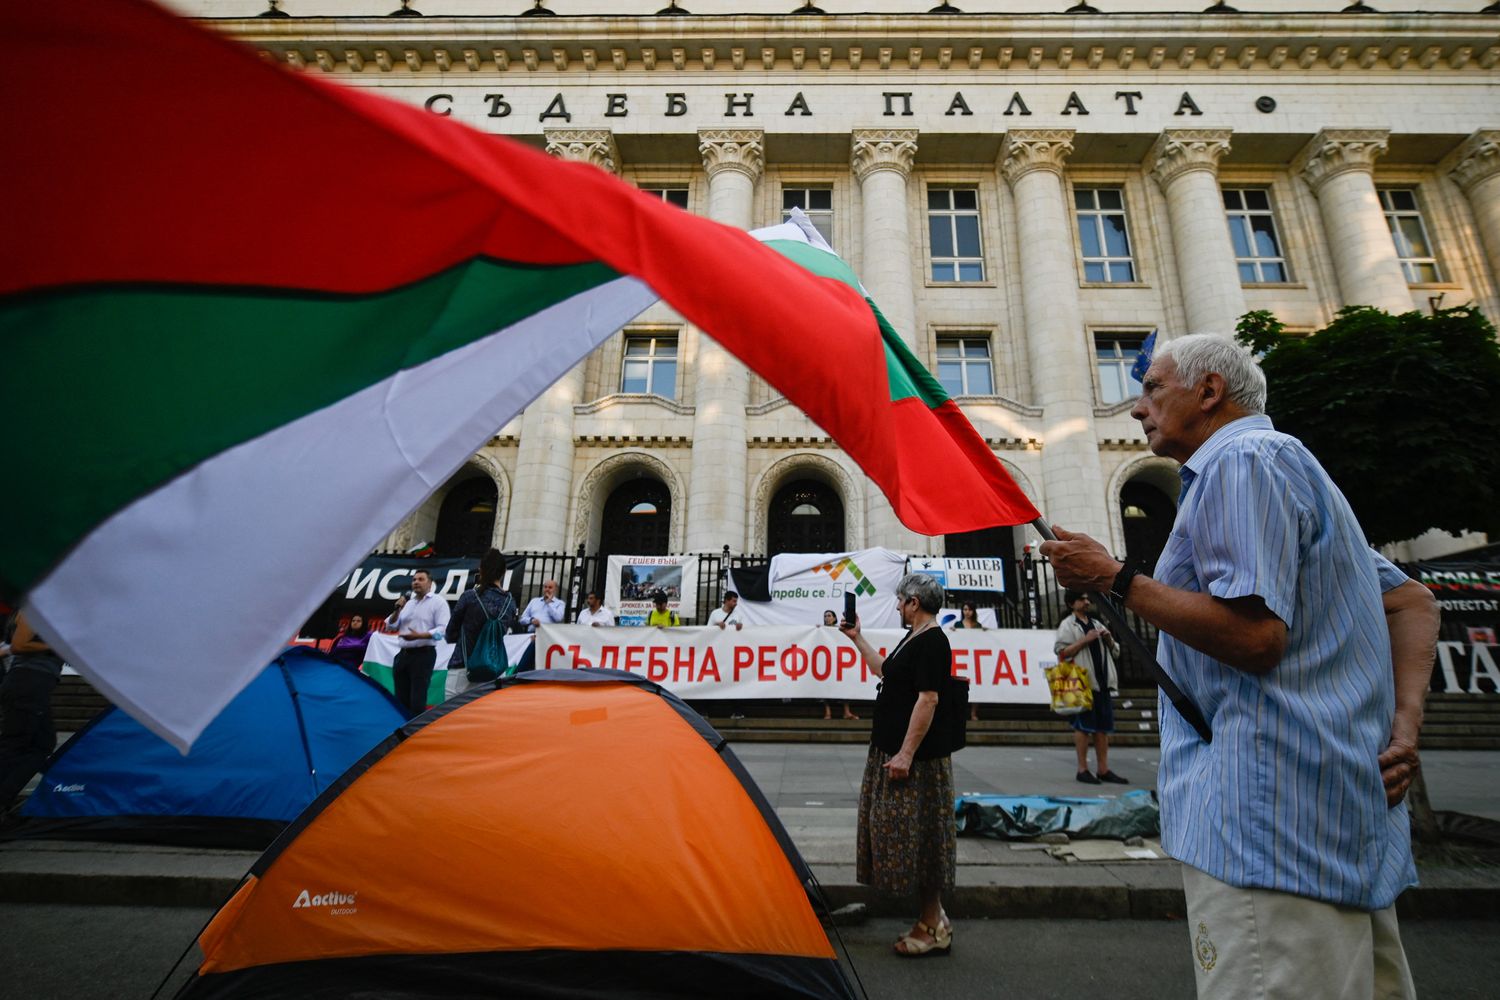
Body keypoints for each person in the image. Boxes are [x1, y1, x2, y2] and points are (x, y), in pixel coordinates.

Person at [1040, 333, 1439, 1000]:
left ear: (1209, 392)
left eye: (1151, 389)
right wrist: (1405, 723)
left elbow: (1256, 639)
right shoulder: (1284, 465)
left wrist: (1115, 578)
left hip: (1268, 828)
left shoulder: (1242, 462)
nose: (1136, 408)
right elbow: (1410, 600)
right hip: (1335, 822)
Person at [840, 572, 955, 958]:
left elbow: (929, 700)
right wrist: (857, 638)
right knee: (909, 834)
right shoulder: (914, 638)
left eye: (900, 601)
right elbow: (884, 673)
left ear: (914, 603)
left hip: (915, 761)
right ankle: (933, 916)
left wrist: (905, 753)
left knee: (920, 838)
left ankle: (930, 924)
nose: (896, 607)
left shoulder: (932, 642)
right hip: (894, 752)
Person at [1054, 590, 1126, 785]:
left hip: (1102, 681)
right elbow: (1062, 653)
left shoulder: (1096, 623)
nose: (1086, 602)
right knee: (1084, 726)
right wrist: (1086, 640)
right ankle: (1082, 768)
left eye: (1087, 598)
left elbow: (1116, 651)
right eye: (1081, 598)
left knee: (1102, 728)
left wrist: (1108, 638)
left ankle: (1103, 768)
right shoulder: (1067, 625)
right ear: (1071, 603)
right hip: (1082, 682)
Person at [0, 611, 65, 811]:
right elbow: (19, 645)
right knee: (16, 745)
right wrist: (57, 647)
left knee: (42, 744)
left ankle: (5, 796)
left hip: (36, 683)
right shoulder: (33, 611)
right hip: (28, 682)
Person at [384, 569, 451, 715]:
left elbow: (443, 630)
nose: (416, 582)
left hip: (423, 655)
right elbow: (390, 625)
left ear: (430, 583)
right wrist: (397, 609)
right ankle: (400, 732)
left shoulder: (438, 603)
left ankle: (413, 733)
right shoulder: (408, 603)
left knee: (417, 699)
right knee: (400, 700)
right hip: (403, 655)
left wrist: (420, 636)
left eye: (421, 579)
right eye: (414, 580)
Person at [446, 549, 518, 676]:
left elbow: (450, 633)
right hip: (494, 669)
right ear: (503, 572)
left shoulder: (469, 597)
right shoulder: (510, 602)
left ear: (481, 570)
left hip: (463, 666)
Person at [950, 602, 985, 722]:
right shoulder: (958, 624)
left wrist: (986, 633)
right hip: (962, 659)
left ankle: (973, 712)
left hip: (974, 659)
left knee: (976, 686)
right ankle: (960, 713)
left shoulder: (978, 625)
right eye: (965, 609)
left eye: (969, 609)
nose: (967, 612)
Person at [822, 610, 859, 721]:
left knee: (844, 685)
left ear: (834, 618)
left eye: (829, 616)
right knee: (824, 687)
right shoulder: (820, 631)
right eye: (825, 616)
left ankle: (846, 712)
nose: (826, 618)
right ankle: (828, 712)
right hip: (826, 664)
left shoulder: (840, 630)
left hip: (839, 662)